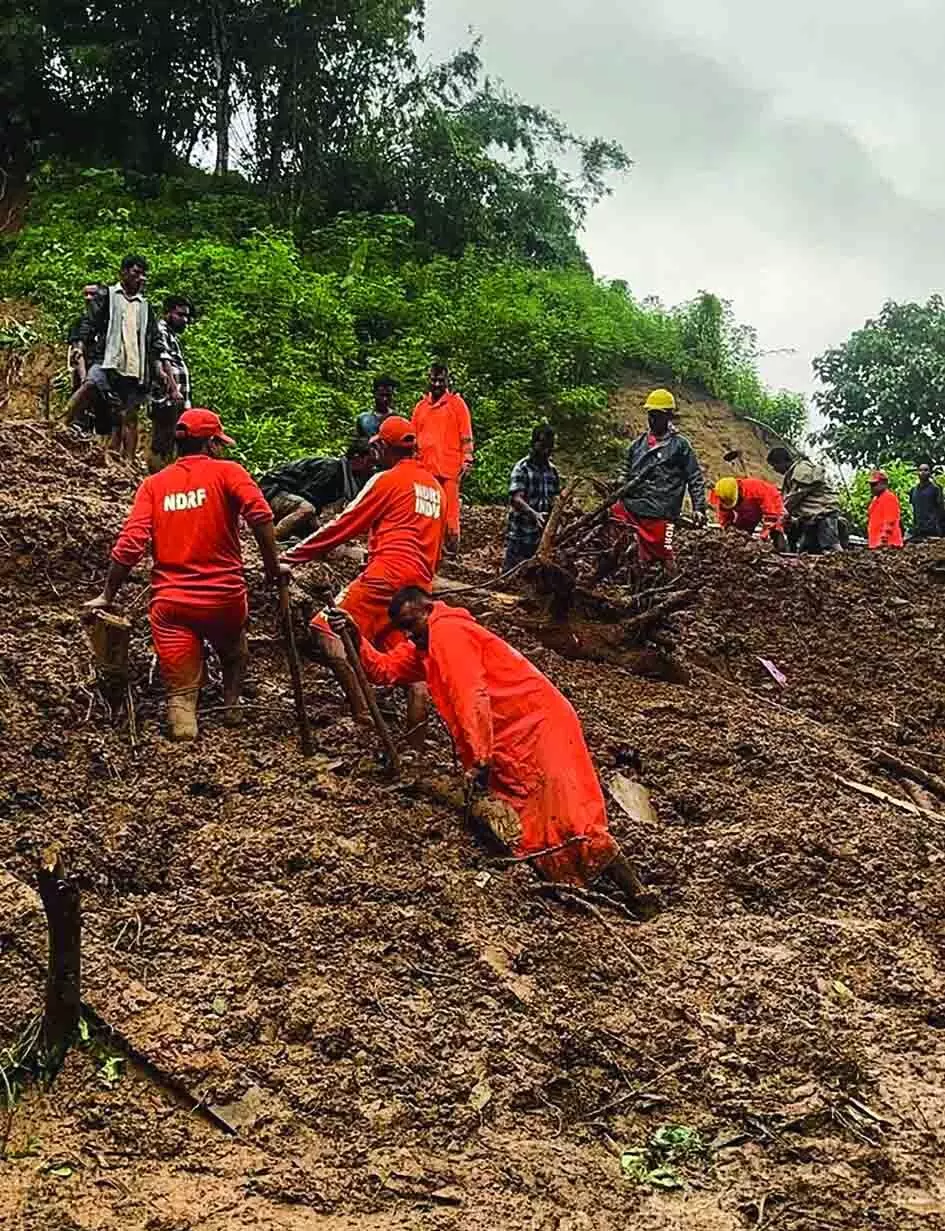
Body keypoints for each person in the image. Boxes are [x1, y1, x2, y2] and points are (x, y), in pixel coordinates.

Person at [329, 588, 622, 889]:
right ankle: (572, 883)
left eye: (411, 625)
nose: (408, 635)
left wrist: (480, 759)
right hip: (510, 733)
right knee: (532, 815)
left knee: (572, 813)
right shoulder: (424, 645)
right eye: (402, 630)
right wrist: (355, 637)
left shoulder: (448, 634)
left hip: (540, 724)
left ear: (428, 611)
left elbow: (471, 697)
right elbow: (384, 671)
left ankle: (635, 892)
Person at [82, 409, 281, 741]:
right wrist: (273, 567)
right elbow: (260, 514)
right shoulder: (229, 472)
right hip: (224, 598)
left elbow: (131, 543)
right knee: (234, 651)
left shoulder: (154, 485)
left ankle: (185, 731)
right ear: (212, 444)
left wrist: (108, 595)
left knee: (181, 694)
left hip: (172, 605)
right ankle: (231, 707)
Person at [282, 417, 444, 730]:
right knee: (411, 669)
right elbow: (435, 548)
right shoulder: (436, 489)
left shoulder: (387, 479)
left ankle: (361, 711)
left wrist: (291, 556)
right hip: (417, 588)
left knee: (325, 627)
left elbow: (344, 524)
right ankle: (414, 748)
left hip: (385, 577)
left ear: (384, 446)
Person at [66, 256, 164, 462]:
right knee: (89, 384)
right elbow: (89, 323)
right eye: (135, 273)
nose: (140, 278)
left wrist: (159, 370)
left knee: (129, 414)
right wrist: (79, 347)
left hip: (133, 366)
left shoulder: (145, 307)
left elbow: (154, 341)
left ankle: (128, 462)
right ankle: (61, 424)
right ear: (123, 273)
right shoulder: (108, 296)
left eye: (142, 274)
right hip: (108, 358)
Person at [608, 388, 707, 573]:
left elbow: (694, 477)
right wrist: (620, 481)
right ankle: (632, 573)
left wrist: (699, 508)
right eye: (650, 415)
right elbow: (625, 469)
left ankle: (675, 585)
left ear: (668, 416)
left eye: (657, 415)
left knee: (665, 554)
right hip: (634, 506)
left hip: (663, 512)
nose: (652, 420)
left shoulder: (680, 446)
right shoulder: (637, 445)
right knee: (614, 517)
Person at [411, 363, 473, 553]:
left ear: (447, 381)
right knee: (426, 510)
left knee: (450, 513)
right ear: (428, 380)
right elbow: (412, 437)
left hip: (449, 468)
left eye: (441, 380)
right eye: (434, 380)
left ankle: (451, 551)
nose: (437, 384)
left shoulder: (456, 404)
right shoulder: (421, 407)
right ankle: (426, 548)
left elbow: (466, 434)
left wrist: (467, 458)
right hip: (425, 468)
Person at [258, 442, 376, 541]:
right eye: (370, 462)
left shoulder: (344, 475)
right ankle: (272, 537)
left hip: (289, 497)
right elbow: (308, 497)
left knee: (320, 534)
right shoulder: (331, 469)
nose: (372, 467)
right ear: (357, 458)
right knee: (307, 510)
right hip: (273, 491)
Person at [504, 425, 562, 570]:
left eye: (549, 447)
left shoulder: (552, 471)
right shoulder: (522, 468)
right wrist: (534, 514)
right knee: (511, 575)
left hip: (541, 538)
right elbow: (516, 498)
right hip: (520, 535)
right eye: (542, 446)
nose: (546, 451)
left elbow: (556, 499)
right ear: (533, 443)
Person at [766, 447, 843, 554]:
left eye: (774, 465)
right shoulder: (793, 474)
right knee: (807, 550)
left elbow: (795, 497)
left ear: (782, 462)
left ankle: (842, 564)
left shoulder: (801, 471)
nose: (775, 469)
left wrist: (780, 512)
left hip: (824, 512)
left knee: (830, 546)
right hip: (812, 517)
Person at [149, 295, 194, 473]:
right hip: (168, 395)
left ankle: (167, 472)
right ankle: (156, 474)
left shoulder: (170, 333)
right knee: (163, 437)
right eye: (180, 315)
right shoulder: (161, 330)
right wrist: (174, 390)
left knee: (174, 437)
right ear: (167, 313)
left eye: (186, 316)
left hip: (178, 396)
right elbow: (164, 359)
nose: (184, 320)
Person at [709, 475, 786, 549]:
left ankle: (781, 548)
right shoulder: (724, 496)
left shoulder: (755, 489)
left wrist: (763, 537)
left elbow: (771, 515)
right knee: (741, 533)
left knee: (776, 533)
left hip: (771, 502)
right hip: (749, 509)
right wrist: (729, 529)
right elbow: (724, 516)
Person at [867, 471, 904, 549]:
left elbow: (890, 521)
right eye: (871, 485)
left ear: (884, 484)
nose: (872, 487)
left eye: (874, 484)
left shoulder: (889, 498)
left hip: (889, 545)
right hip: (876, 545)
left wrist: (883, 540)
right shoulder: (875, 499)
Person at [909, 463, 945, 540]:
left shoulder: (936, 489)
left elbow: (941, 510)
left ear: (930, 473)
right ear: (917, 473)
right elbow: (914, 509)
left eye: (925, 470)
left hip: (932, 531)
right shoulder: (913, 490)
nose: (922, 472)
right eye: (920, 470)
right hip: (918, 530)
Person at [356, 376, 397, 441]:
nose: (385, 399)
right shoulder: (363, 419)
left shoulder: (397, 419)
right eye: (381, 395)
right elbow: (356, 443)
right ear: (374, 394)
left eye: (388, 395)